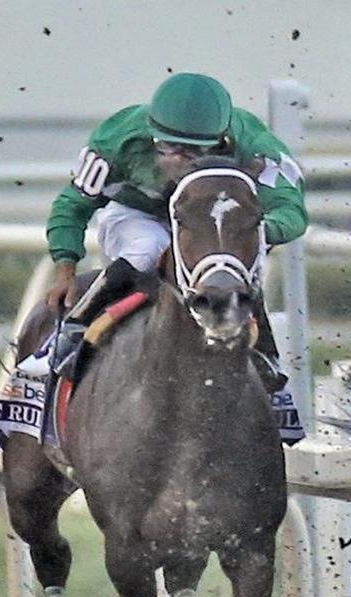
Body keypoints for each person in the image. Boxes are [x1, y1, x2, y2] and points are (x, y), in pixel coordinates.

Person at [40, 72, 308, 393]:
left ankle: (266, 358)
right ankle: (75, 329)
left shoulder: (257, 148)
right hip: (138, 215)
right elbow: (72, 205)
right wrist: (65, 267)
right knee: (150, 247)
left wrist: (247, 231)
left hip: (209, 221)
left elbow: (292, 212)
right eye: (168, 147)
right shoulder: (118, 138)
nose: (179, 159)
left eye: (193, 152)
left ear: (223, 141)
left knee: (235, 259)